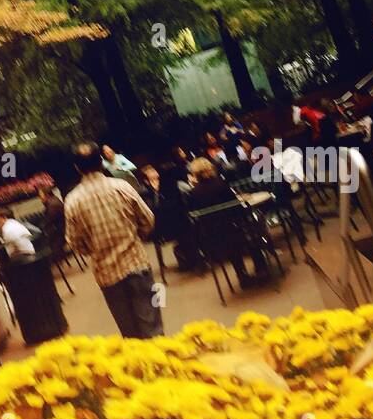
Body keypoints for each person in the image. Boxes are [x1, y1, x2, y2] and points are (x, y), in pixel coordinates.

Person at [65, 142, 162, 339]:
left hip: (107, 276)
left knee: (129, 335)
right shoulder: (121, 187)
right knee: (153, 329)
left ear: (76, 168)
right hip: (137, 265)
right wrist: (135, 238)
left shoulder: (72, 201)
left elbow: (75, 243)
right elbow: (147, 219)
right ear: (101, 161)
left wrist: (94, 249)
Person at [185, 156, 270, 288]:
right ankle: (261, 267)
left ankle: (242, 276)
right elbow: (236, 207)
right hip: (236, 230)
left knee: (231, 244)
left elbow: (194, 213)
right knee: (253, 228)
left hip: (213, 237)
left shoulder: (193, 193)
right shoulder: (221, 185)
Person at [37, 183, 66, 256]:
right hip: (62, 230)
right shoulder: (54, 200)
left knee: (41, 239)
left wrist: (40, 229)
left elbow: (48, 222)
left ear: (46, 195)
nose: (40, 198)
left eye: (41, 196)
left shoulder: (52, 205)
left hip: (62, 233)